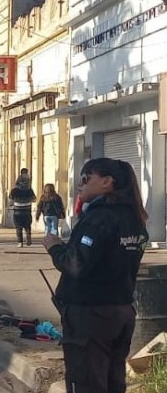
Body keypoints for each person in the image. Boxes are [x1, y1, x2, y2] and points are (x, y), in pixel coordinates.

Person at [44, 158, 148, 393]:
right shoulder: (134, 219)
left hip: (92, 315)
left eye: (85, 178)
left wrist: (54, 247)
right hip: (121, 311)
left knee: (86, 382)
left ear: (106, 182)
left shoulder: (100, 218)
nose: (80, 185)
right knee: (113, 381)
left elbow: (76, 264)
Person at [9, 169, 36, 247]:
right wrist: (27, 200)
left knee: (18, 227)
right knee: (27, 226)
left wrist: (17, 201)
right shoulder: (29, 190)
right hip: (27, 210)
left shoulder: (14, 190)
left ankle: (20, 242)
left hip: (17, 211)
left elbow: (11, 198)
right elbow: (34, 199)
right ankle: (28, 237)